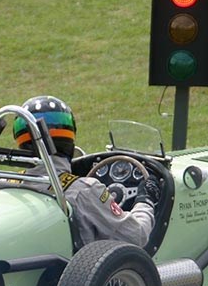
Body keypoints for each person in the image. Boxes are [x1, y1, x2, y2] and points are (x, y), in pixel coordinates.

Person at [13, 96, 161, 247]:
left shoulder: (4, 183)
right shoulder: (84, 191)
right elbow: (137, 236)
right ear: (69, 138)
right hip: (76, 268)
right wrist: (145, 201)